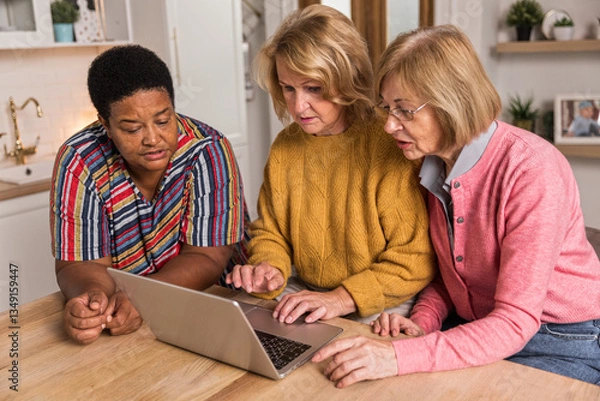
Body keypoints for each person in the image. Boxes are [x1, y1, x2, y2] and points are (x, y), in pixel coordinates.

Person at [312, 24, 600, 387]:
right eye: (386, 107)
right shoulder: (432, 166)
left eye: (404, 110)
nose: (388, 125)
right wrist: (422, 321)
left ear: (452, 101)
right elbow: (456, 280)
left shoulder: (531, 169)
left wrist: (399, 355)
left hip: (560, 340)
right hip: (479, 327)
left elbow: (515, 320)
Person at [225, 5, 436, 325]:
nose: (298, 105)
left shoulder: (389, 143)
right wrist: (269, 268)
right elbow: (270, 232)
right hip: (306, 290)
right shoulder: (285, 147)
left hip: (382, 301)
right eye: (288, 88)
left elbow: (414, 260)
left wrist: (341, 298)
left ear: (347, 77)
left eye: (313, 88)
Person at [51, 45, 249, 345]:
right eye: (132, 128)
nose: (153, 139)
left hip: (221, 303)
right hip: (130, 320)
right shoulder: (79, 161)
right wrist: (93, 299)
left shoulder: (207, 149)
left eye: (163, 120)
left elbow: (208, 255)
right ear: (105, 124)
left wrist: (143, 298)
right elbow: (78, 262)